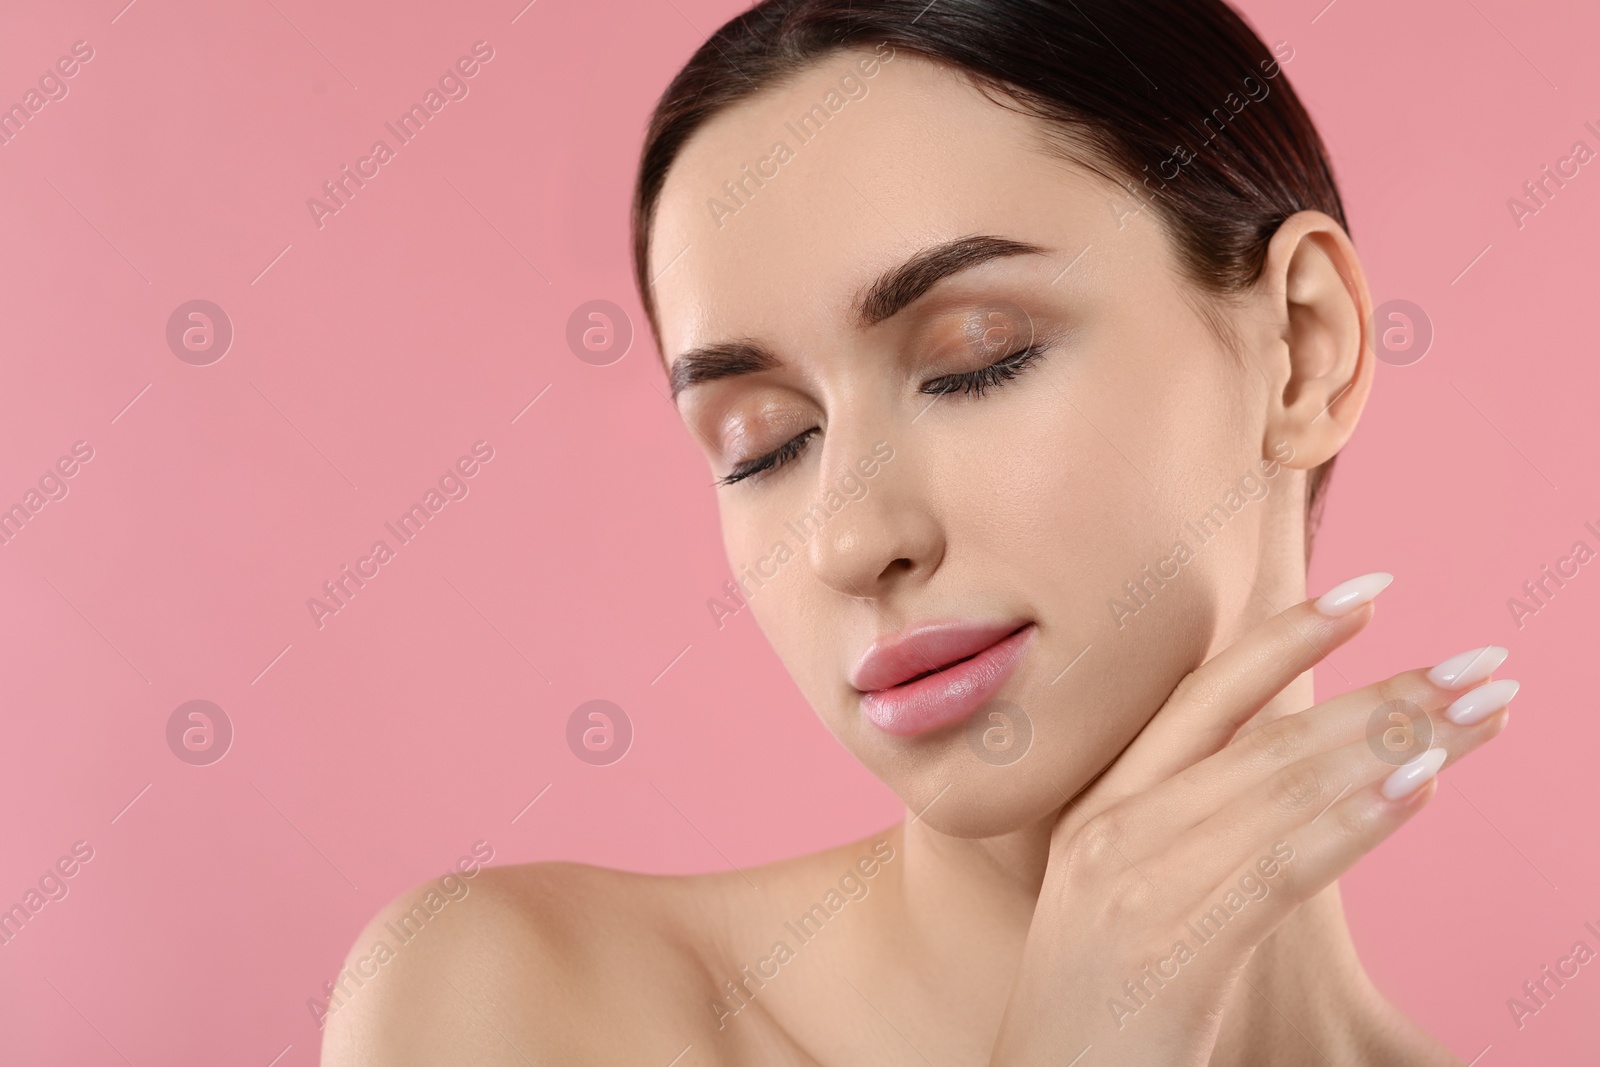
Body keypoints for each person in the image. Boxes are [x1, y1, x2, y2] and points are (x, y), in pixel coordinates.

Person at [322, 1, 1516, 1062]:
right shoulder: (517, 997)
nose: (847, 538)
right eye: (763, 441)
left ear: (1302, 346)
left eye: (974, 360)